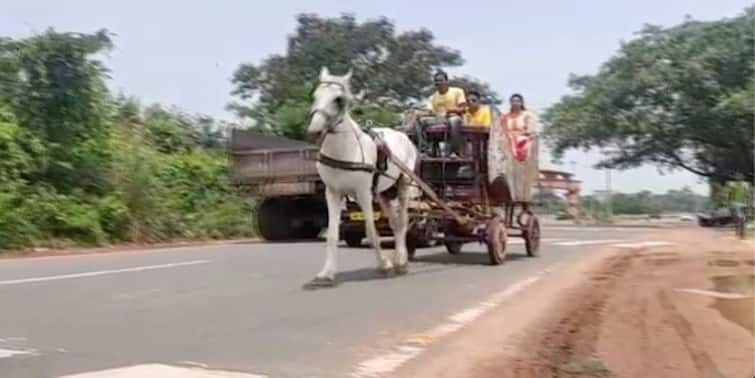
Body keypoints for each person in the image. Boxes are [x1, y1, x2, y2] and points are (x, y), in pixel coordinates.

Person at [416, 70, 466, 157]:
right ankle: (424, 150)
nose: (438, 83)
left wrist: (452, 110)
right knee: (419, 121)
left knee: (454, 120)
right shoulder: (433, 97)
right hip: (438, 119)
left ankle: (454, 152)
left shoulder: (457, 91)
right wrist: (419, 114)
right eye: (436, 81)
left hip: (453, 117)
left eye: (440, 80)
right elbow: (430, 112)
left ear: (446, 81)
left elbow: (463, 109)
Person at [499, 93, 538, 162]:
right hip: (508, 142)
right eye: (513, 101)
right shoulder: (505, 117)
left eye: (517, 101)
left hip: (523, 142)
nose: (515, 103)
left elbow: (531, 131)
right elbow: (502, 130)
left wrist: (519, 136)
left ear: (522, 103)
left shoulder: (527, 115)